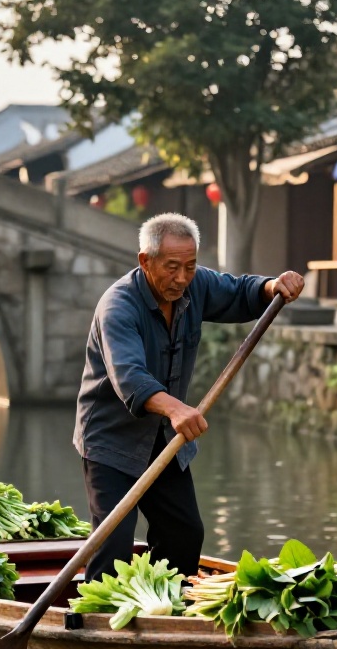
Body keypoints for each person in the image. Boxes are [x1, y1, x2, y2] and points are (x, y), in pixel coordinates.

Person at [74, 212, 304, 582]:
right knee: (113, 542)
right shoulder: (118, 306)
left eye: (190, 266)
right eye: (172, 267)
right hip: (112, 441)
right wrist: (176, 408)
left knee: (184, 532)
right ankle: (97, 622)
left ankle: (168, 610)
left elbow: (239, 292)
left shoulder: (194, 286)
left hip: (165, 438)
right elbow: (129, 377)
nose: (182, 278)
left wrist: (272, 286)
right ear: (144, 261)